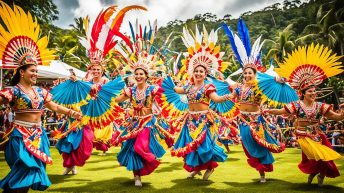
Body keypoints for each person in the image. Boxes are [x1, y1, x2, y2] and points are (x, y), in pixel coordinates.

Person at [0, 2, 82, 192]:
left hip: (39, 135)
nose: (36, 73)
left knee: (31, 175)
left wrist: (72, 112)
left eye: (37, 70)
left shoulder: (40, 92)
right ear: (22, 71)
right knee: (25, 171)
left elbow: (54, 107)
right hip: (20, 136)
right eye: (32, 70)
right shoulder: (13, 91)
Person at [159, 26, 237, 181]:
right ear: (192, 73)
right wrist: (163, 78)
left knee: (204, 147)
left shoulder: (208, 87)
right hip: (190, 120)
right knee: (191, 147)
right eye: (196, 71)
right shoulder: (187, 87)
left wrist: (231, 95)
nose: (199, 73)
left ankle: (210, 167)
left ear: (205, 74)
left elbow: (217, 99)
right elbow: (175, 89)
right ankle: (195, 170)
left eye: (201, 72)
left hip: (203, 120)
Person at [265, 44, 344, 187]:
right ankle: (314, 175)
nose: (313, 93)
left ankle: (319, 176)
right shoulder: (296, 105)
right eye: (310, 92)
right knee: (317, 157)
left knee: (324, 157)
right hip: (303, 137)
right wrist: (268, 111)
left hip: (318, 136)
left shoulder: (320, 106)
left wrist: (342, 112)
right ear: (303, 93)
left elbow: (337, 117)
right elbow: (281, 112)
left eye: (314, 91)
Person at [222, 19, 288, 183]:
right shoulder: (238, 87)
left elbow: (276, 81)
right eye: (245, 74)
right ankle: (260, 171)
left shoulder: (261, 87)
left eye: (250, 73)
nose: (247, 76)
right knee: (249, 146)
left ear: (255, 74)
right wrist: (224, 94)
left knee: (259, 144)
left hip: (256, 121)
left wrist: (280, 80)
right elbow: (232, 96)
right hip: (243, 120)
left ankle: (262, 173)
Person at [113, 20, 167, 187]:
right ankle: (137, 177)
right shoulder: (130, 90)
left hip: (148, 123)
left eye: (141, 73)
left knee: (140, 148)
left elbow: (167, 94)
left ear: (146, 75)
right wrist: (108, 94)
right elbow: (118, 99)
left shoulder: (153, 89)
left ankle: (152, 161)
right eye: (136, 73)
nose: (138, 76)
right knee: (132, 150)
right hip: (133, 123)